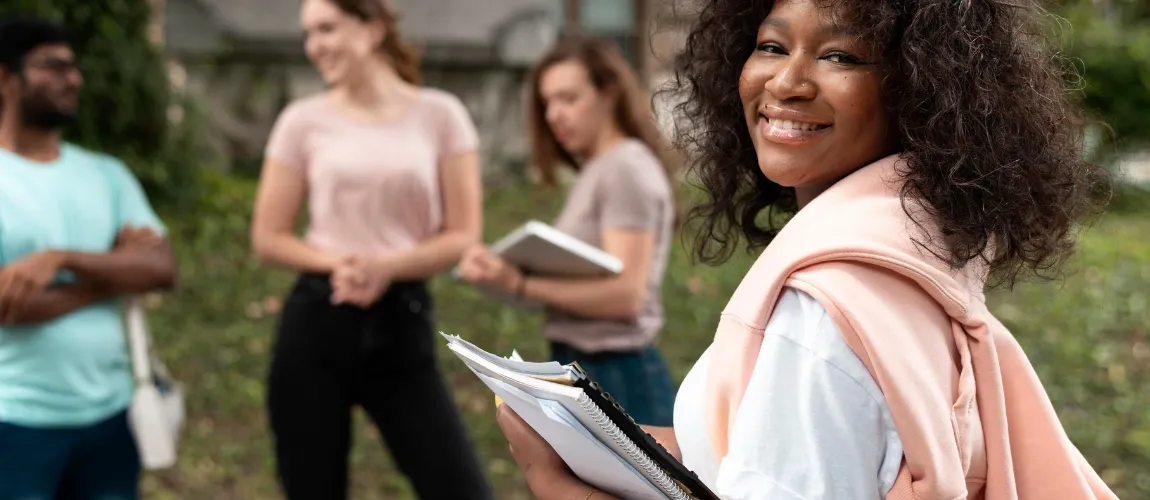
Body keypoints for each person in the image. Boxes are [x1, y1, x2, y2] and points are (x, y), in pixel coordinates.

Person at [491, 0, 1121, 499]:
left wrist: (555, 485)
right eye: (770, 45)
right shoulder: (918, 250)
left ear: (923, 88)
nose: (787, 82)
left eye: (841, 56)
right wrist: (624, 446)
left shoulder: (819, 313)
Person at [249, 0, 491, 498]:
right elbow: (268, 236)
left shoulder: (441, 115)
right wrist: (340, 263)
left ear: (373, 28)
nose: (314, 45)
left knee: (461, 488)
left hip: (402, 321)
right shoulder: (302, 121)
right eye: (308, 33)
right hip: (318, 317)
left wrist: (385, 267)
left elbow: (463, 233)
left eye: (327, 28)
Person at [457, 36, 679, 427]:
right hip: (589, 368)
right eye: (547, 103)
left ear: (608, 92)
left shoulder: (624, 167)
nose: (554, 114)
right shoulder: (601, 167)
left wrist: (519, 285)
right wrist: (506, 270)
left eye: (568, 98)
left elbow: (626, 296)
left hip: (619, 377)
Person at [0, 16, 177, 500]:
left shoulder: (107, 175)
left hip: (112, 418)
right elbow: (6, 306)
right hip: (14, 422)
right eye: (52, 66)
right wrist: (113, 274)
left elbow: (162, 269)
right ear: (5, 78)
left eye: (74, 67)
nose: (72, 77)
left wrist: (58, 260)